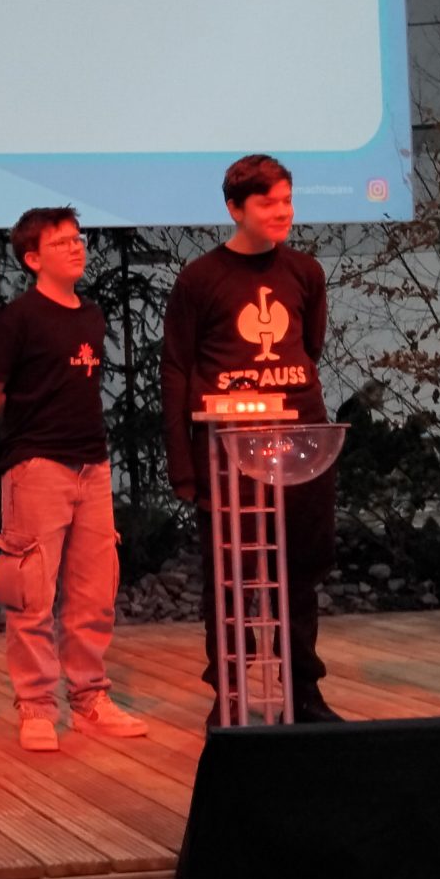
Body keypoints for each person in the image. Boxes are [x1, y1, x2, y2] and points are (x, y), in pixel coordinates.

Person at [161, 154, 344, 726]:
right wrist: (182, 463)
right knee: (230, 577)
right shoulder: (200, 280)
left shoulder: (305, 272)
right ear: (234, 208)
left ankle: (303, 692)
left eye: (287, 200)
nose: (282, 212)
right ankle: (232, 693)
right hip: (228, 453)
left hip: (300, 445)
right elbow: (176, 368)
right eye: (268, 202)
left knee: (301, 571)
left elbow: (309, 348)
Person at [0, 207, 149, 753]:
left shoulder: (91, 316)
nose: (76, 248)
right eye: (62, 242)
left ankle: (90, 699)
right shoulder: (18, 317)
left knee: (94, 592)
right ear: (33, 258)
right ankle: (35, 706)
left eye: (79, 238)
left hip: (91, 465)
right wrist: (30, 423)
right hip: (37, 465)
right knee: (31, 593)